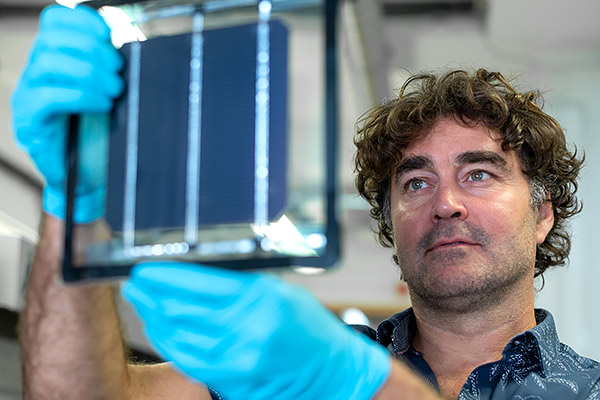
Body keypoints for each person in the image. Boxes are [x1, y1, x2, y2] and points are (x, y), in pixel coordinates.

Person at [10, 4, 600, 400]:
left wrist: (351, 385)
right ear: (390, 222)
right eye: (415, 183)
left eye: (478, 174)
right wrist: (77, 207)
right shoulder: (287, 363)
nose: (444, 203)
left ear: (543, 213)